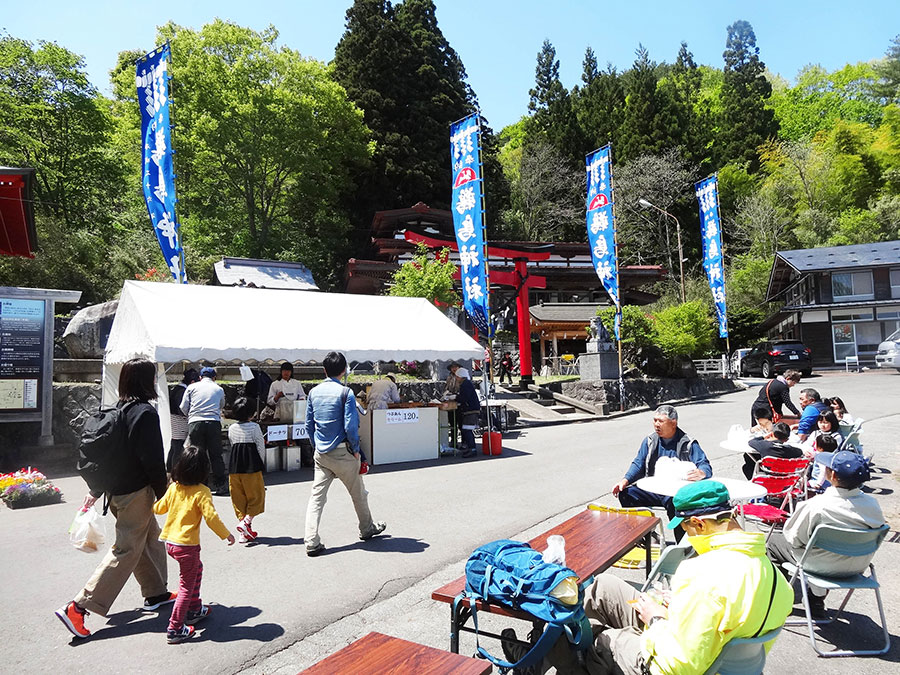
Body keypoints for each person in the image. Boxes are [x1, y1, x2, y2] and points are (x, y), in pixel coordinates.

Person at [514, 481, 792, 674]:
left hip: (669, 664)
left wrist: (657, 619)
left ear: (699, 523)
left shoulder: (704, 575)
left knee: (597, 640)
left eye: (685, 528)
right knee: (601, 587)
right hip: (706, 650)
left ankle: (540, 659)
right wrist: (679, 606)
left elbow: (679, 667)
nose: (686, 536)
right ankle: (540, 652)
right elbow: (723, 620)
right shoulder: (773, 574)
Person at [56, 357, 175, 639]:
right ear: (148, 382)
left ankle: (156, 592)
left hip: (118, 491)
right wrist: (165, 495)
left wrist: (96, 491)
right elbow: (153, 460)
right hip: (137, 492)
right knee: (126, 548)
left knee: (148, 540)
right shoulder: (144, 413)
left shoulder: (118, 410)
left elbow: (110, 457)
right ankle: (79, 606)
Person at [767, 450, 885, 618]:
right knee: (836, 549)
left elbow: (793, 538)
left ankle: (777, 600)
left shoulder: (817, 505)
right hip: (857, 566)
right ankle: (816, 598)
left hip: (819, 565)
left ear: (833, 475)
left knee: (772, 542)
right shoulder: (873, 506)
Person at [304, 351, 386, 557]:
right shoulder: (346, 393)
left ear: (324, 370)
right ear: (344, 370)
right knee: (358, 494)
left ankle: (311, 540)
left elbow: (308, 424)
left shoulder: (313, 392)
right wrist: (356, 451)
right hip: (343, 452)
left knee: (316, 498)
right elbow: (350, 426)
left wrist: (316, 445)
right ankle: (366, 528)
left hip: (321, 454)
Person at [153, 445, 235, 643]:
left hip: (171, 544)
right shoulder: (202, 491)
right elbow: (211, 517)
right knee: (186, 587)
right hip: (187, 546)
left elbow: (159, 508)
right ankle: (175, 627)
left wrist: (152, 502)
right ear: (204, 470)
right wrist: (227, 535)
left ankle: (195, 608)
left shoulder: (174, 487)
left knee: (197, 569)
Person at [612, 405, 712, 541]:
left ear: (673, 423)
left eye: (661, 421)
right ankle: (644, 535)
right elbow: (638, 463)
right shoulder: (650, 441)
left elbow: (704, 464)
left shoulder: (688, 443)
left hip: (675, 492)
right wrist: (625, 480)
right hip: (654, 488)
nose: (656, 425)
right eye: (654, 420)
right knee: (626, 494)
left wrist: (702, 472)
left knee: (676, 503)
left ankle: (683, 545)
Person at [180, 366, 228, 495]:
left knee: (197, 454)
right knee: (216, 455)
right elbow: (221, 405)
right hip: (213, 423)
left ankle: (200, 484)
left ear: (200, 377)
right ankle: (220, 484)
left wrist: (191, 416)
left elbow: (183, 406)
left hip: (196, 422)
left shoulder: (191, 387)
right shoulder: (219, 389)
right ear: (214, 378)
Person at [227, 397, 266, 543]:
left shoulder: (232, 428)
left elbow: (232, 443)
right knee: (256, 496)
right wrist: (261, 463)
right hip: (251, 465)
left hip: (235, 466)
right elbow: (260, 446)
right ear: (252, 413)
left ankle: (244, 532)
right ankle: (246, 522)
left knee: (238, 498)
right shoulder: (255, 427)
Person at [168, 368, 199, 473]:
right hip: (179, 420)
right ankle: (175, 471)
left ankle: (170, 470)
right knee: (178, 447)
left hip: (175, 419)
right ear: (192, 382)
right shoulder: (182, 391)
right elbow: (181, 409)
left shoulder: (178, 388)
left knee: (174, 446)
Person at [455, 367, 480, 459]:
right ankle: (471, 448)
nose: (456, 378)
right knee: (466, 430)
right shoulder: (466, 383)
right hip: (471, 409)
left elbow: (464, 398)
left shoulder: (465, 384)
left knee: (467, 429)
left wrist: (455, 397)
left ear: (461, 376)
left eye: (457, 376)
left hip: (471, 409)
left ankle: (472, 449)